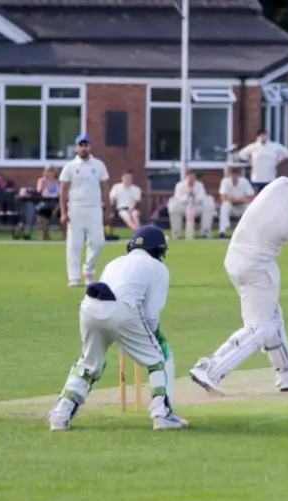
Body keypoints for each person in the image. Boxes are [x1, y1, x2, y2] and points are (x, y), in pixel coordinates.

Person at [188, 168, 288, 396]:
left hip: (234, 259)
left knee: (273, 319)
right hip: (258, 269)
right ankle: (210, 369)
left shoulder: (279, 184)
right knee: (261, 327)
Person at [47, 225, 187, 431]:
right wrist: (151, 338)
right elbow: (150, 315)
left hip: (89, 307)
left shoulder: (115, 262)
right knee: (158, 358)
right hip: (123, 310)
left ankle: (60, 415)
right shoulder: (158, 269)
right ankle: (162, 414)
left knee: (88, 364)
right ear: (158, 250)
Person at [59, 134, 110, 287]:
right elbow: (63, 191)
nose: (83, 148)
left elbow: (105, 188)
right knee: (74, 245)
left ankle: (88, 270)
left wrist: (108, 210)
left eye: (86, 145)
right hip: (76, 208)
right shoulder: (70, 166)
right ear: (76, 148)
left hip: (94, 208)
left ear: (90, 147)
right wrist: (63, 213)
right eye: (80, 145)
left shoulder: (99, 165)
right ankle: (74, 277)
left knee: (98, 242)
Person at [167, 169, 216, 239]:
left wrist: (193, 195)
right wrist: (188, 194)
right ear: (186, 177)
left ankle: (205, 232)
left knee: (208, 207)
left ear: (195, 177)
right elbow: (179, 199)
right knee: (174, 208)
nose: (191, 179)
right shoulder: (179, 185)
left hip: (196, 206)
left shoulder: (199, 185)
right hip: (183, 207)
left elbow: (201, 197)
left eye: (193, 177)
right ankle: (176, 233)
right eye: (189, 177)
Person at [218, 170, 255, 238]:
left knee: (250, 207)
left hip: (242, 206)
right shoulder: (225, 181)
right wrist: (234, 200)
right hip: (231, 207)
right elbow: (223, 198)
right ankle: (222, 232)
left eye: (235, 174)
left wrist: (240, 200)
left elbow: (251, 197)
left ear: (238, 175)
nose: (233, 177)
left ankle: (249, 232)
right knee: (224, 206)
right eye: (232, 174)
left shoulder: (244, 182)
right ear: (229, 175)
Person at [36, 165, 60, 241]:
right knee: (40, 212)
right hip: (45, 204)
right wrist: (42, 187)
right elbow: (39, 192)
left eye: (52, 171)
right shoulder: (42, 181)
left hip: (56, 204)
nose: (50, 173)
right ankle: (43, 234)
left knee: (62, 212)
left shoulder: (58, 182)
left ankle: (65, 235)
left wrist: (57, 208)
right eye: (48, 171)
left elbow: (61, 195)